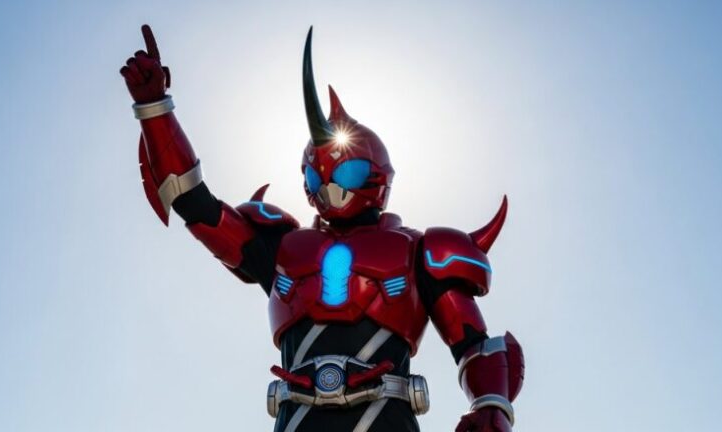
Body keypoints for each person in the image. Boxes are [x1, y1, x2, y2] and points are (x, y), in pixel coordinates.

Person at [120, 24, 524, 432]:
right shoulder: (284, 248)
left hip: (385, 419)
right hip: (298, 417)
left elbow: (474, 345)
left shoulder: (417, 251)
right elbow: (194, 203)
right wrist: (155, 109)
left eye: (346, 172)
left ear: (377, 174)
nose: (330, 186)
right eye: (316, 177)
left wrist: (491, 405)